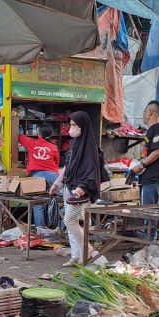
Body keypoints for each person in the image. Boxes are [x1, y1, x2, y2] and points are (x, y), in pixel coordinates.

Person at [49, 111, 100, 266]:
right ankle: (76, 257)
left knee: (70, 220)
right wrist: (57, 183)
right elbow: (67, 166)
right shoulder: (74, 144)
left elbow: (91, 172)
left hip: (80, 191)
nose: (71, 128)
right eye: (70, 124)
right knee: (73, 225)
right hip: (68, 187)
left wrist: (80, 189)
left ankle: (87, 248)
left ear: (82, 126)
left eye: (74, 125)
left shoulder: (90, 147)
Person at [131, 100, 159, 240]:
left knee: (150, 212)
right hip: (147, 177)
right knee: (146, 211)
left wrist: (141, 166)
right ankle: (148, 241)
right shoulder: (151, 131)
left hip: (153, 177)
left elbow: (158, 151)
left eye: (145, 111)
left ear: (151, 112)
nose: (144, 115)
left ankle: (150, 243)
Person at [18, 123, 60, 227]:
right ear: (51, 135)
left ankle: (41, 234)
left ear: (39, 133)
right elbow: (57, 162)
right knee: (60, 202)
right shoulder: (53, 147)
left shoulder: (32, 142)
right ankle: (62, 229)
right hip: (52, 176)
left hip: (37, 177)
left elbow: (19, 137)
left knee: (38, 205)